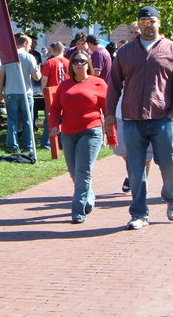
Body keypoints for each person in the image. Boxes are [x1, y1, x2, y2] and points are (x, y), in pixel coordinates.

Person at [105, 6, 173, 230]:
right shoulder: (125, 52)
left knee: (169, 162)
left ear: (159, 23)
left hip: (163, 118)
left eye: (152, 21)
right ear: (138, 24)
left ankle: (172, 198)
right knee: (135, 167)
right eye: (143, 22)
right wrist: (110, 113)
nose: (148, 25)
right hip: (132, 118)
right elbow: (113, 84)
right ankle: (139, 213)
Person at [49, 51, 112, 223]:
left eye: (83, 61)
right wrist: (54, 125)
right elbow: (55, 108)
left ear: (88, 64)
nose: (79, 64)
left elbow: (108, 111)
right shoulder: (64, 85)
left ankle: (77, 210)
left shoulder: (98, 83)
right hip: (69, 133)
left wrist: (111, 135)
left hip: (91, 131)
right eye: (76, 61)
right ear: (71, 65)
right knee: (73, 171)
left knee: (83, 171)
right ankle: (88, 196)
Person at [115, 21, 154, 194]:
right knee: (123, 149)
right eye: (131, 32)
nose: (133, 34)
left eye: (136, 31)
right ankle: (133, 174)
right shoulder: (123, 53)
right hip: (122, 110)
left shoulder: (153, 52)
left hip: (146, 112)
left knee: (146, 152)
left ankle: (141, 184)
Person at [0, 34, 41, 156]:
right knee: (27, 120)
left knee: (12, 120)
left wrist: (0, 92)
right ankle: (28, 145)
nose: (30, 48)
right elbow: (36, 77)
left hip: (10, 91)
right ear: (25, 43)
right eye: (30, 45)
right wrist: (39, 69)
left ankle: (12, 146)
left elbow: (1, 75)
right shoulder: (29, 57)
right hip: (26, 92)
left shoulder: (7, 56)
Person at [39, 42, 70, 149]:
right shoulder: (69, 62)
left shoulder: (50, 62)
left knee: (50, 118)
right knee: (64, 118)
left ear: (53, 50)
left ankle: (46, 142)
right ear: (63, 50)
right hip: (65, 94)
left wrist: (43, 92)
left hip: (52, 94)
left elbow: (44, 79)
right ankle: (62, 142)